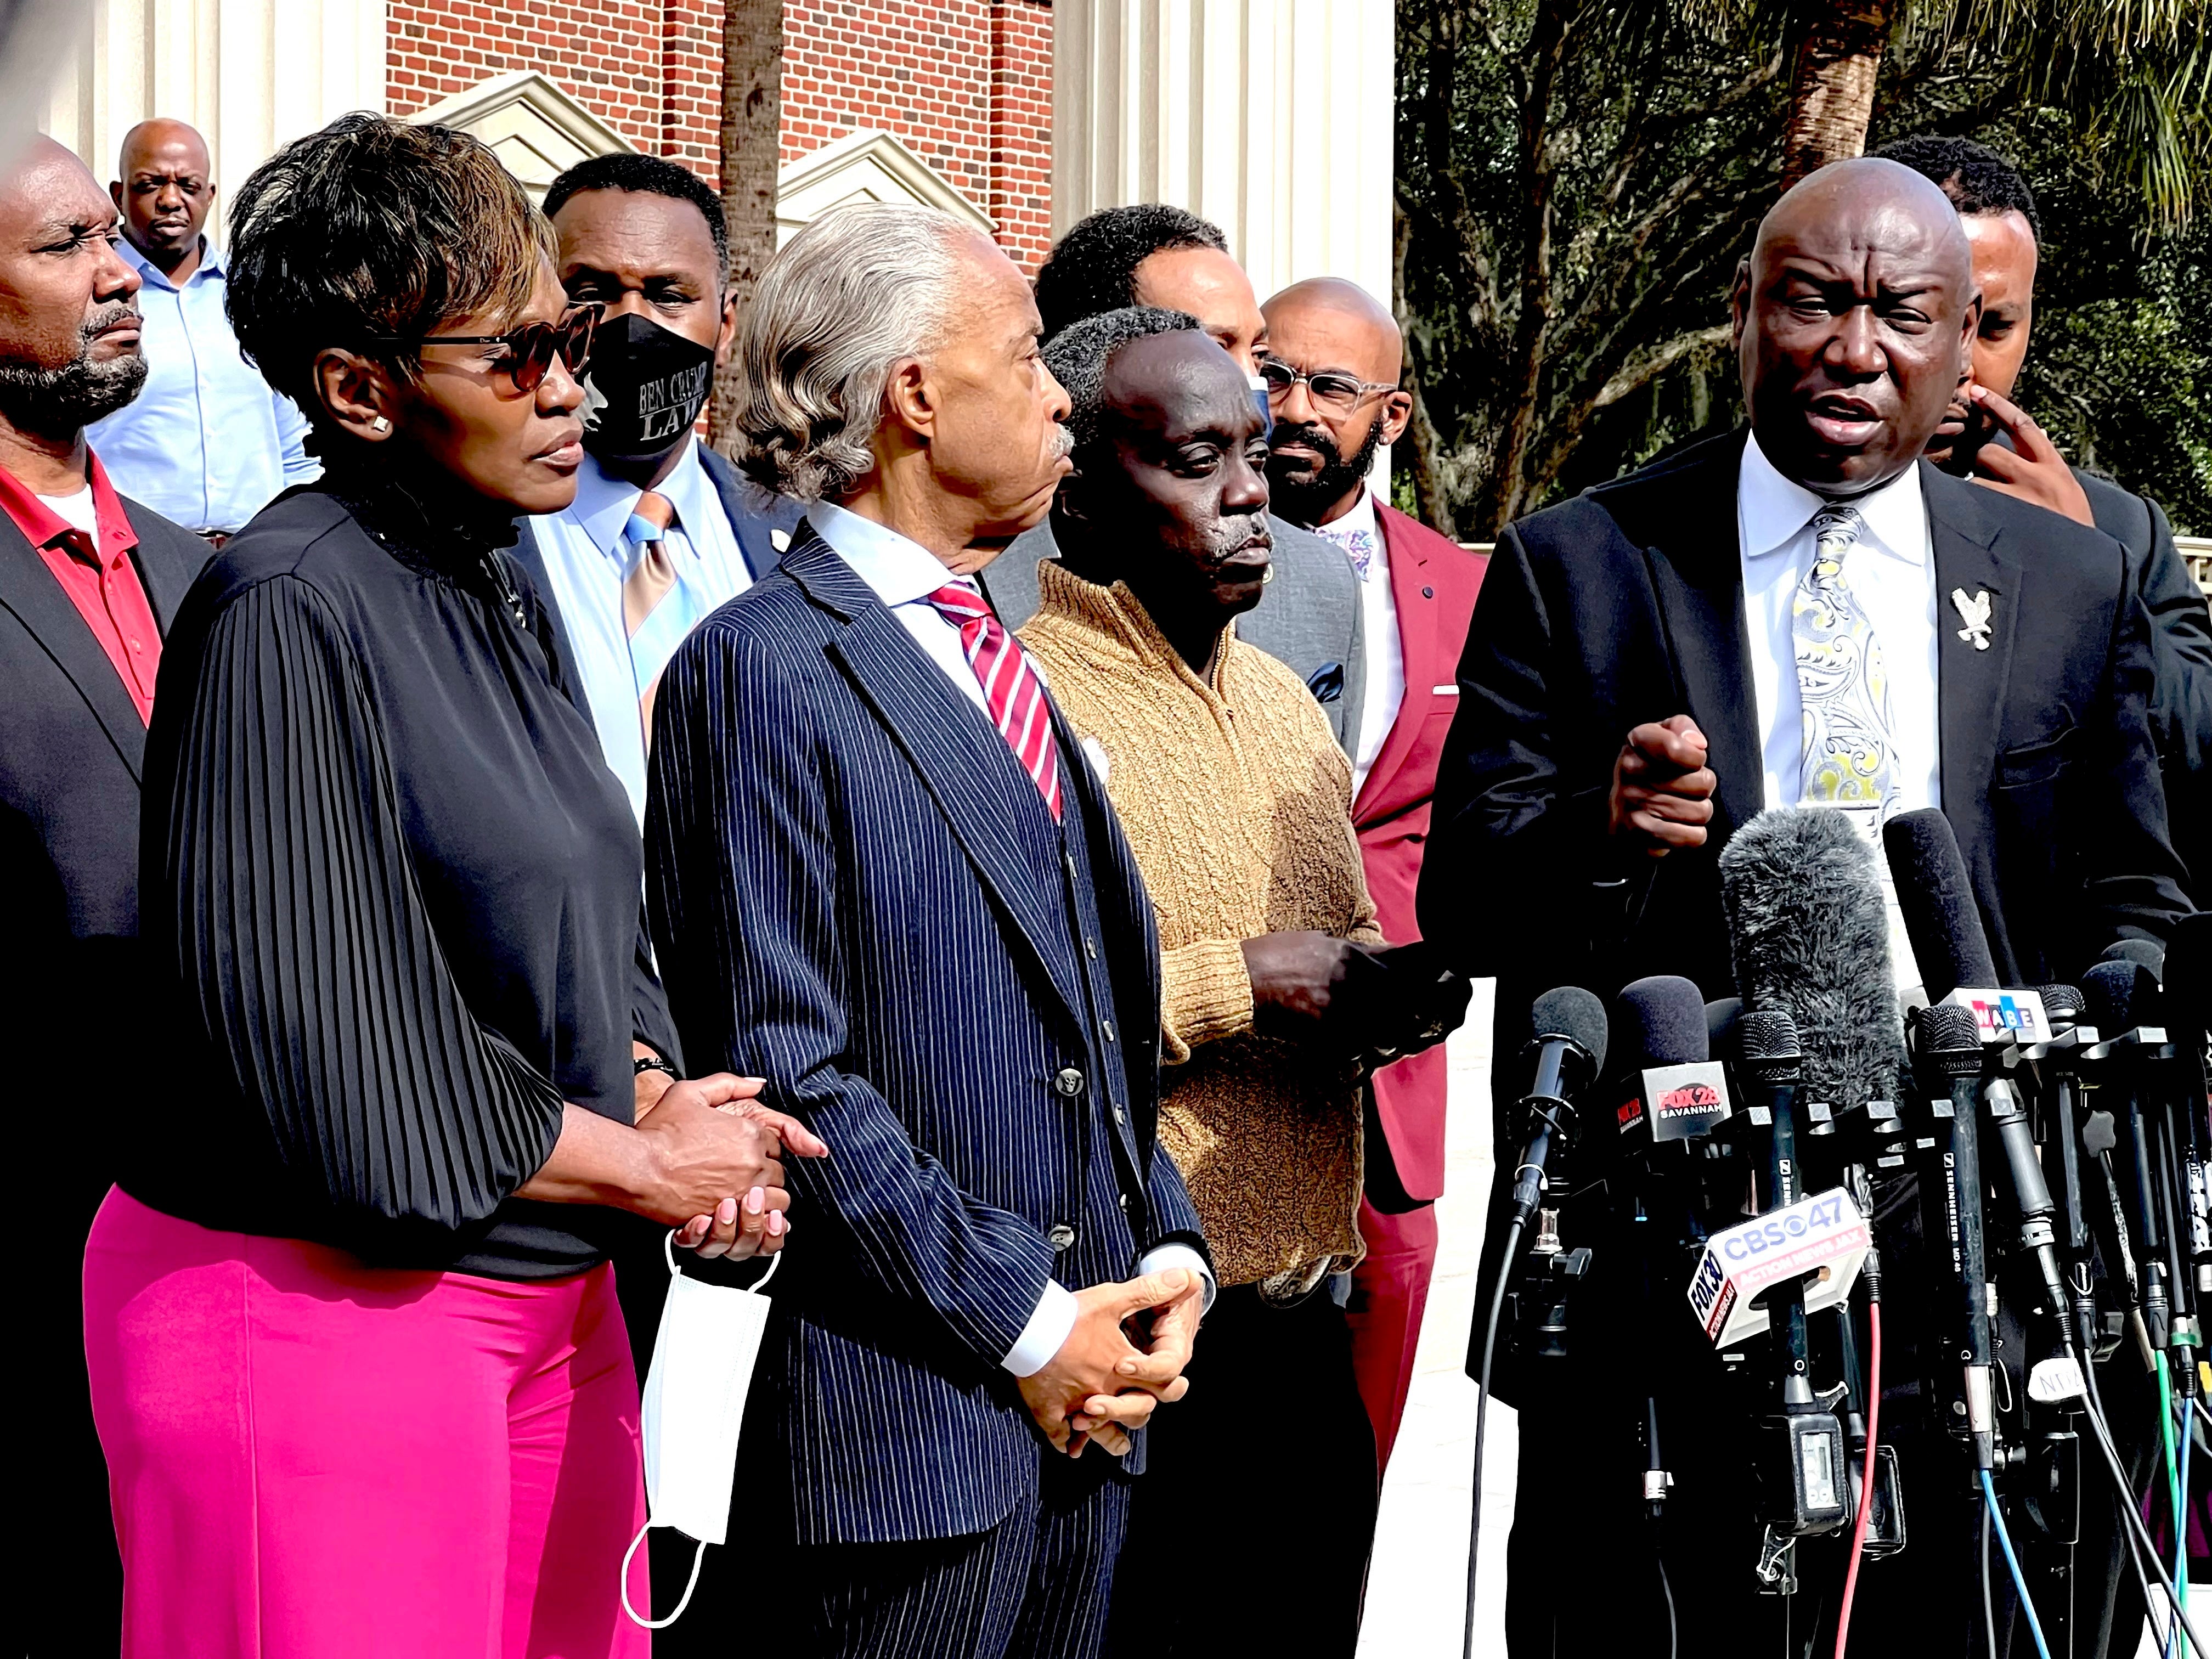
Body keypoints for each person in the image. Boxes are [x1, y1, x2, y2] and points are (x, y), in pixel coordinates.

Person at [1420, 157, 2190, 1655]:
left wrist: (2083, 1029)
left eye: (1904, 312)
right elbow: (1466, 903)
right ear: (1741, 316)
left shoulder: (2068, 582)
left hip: (1976, 1251)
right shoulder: (1582, 564)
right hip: (1678, 1266)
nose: (1855, 346)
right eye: (1811, 303)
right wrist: (1607, 835)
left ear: (1966, 337)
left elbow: (2135, 900)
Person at [86, 114, 819, 1659]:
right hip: (312, 1313)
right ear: (357, 390)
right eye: (519, 354)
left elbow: (567, 926)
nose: (575, 387)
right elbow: (345, 1065)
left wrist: (661, 1095)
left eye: (572, 340)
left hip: (543, 1302)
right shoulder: (285, 607)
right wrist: (653, 1168)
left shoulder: (492, 567)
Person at [645, 202, 1211, 1659]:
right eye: (1023, 357)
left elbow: (1080, 1030)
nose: (1056, 396)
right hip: (902, 1455)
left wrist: (1170, 1259)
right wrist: (1034, 1324)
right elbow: (795, 1078)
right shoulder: (761, 670)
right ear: (910, 396)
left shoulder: (993, 659)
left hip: (1081, 1430)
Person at [1019, 305, 1458, 1656]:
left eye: (1255, 456)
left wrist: (1386, 994)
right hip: (1131, 1338)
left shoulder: (1280, 700)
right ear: (1080, 491)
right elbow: (1006, 1017)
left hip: (1304, 1333)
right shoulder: (1019, 698)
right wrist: (1244, 981)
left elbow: (1320, 971)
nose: (1249, 494)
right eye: (1198, 459)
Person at [0, 132, 209, 1659]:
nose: (119, 270)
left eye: (109, 239)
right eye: (68, 245)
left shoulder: (212, 578)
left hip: (222, 1252)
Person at [1260, 275, 1487, 1472]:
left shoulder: (1463, 589)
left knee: (1363, 1441)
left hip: (1393, 1070)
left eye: (1328, 387)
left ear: (1390, 417)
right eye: (1272, 372)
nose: (1290, 406)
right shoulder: (1180, 560)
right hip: (1223, 1040)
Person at [1877, 132, 2212, 900]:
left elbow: (2197, 771)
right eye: (1919, 313)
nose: (1962, 362)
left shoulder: (2121, 531)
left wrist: (2093, 576)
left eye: (1994, 328)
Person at [981, 204, 1366, 753]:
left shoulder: (1323, 581)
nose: (1246, 379)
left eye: (1257, 353)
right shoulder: (966, 581)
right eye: (1209, 346)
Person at [513, 152, 801, 823]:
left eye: (668, 294)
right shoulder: (475, 546)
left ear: (725, 326)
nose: (630, 324)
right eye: (590, 292)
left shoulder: (801, 539)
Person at [83, 119, 316, 541]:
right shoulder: (92, 297)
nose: (170, 200)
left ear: (209, 197)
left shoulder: (256, 296)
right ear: (119, 195)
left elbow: (294, 443)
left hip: (254, 551)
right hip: (134, 555)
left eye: (188, 186)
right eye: (151, 184)